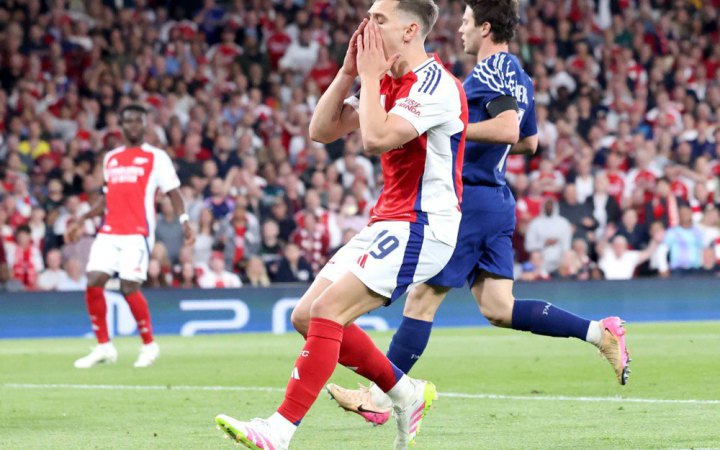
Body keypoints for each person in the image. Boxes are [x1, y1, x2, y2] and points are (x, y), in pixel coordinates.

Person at [325, 0, 631, 428]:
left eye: (467, 22)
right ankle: (600, 333)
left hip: (468, 197)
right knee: (499, 307)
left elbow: (508, 129)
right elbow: (528, 142)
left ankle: (379, 397)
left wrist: (448, 124)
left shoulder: (493, 69)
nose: (460, 30)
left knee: (422, 298)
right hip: (494, 198)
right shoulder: (519, 75)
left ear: (485, 27)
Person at [215, 2, 468, 449]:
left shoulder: (436, 85)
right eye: (368, 16)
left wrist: (368, 78)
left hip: (425, 225)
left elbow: (375, 139)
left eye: (379, 19)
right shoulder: (382, 80)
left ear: (410, 30)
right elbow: (321, 131)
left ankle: (279, 430)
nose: (367, 25)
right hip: (389, 220)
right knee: (305, 315)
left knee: (329, 311)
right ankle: (406, 393)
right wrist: (350, 71)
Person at [66, 104, 195, 369]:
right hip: (109, 231)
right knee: (93, 281)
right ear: (121, 125)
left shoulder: (156, 157)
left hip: (137, 233)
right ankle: (104, 346)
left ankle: (149, 345)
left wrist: (184, 220)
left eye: (138, 121)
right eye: (129, 121)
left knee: (128, 286)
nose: (134, 125)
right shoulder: (111, 158)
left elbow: (173, 192)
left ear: (145, 124)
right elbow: (106, 198)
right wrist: (82, 218)